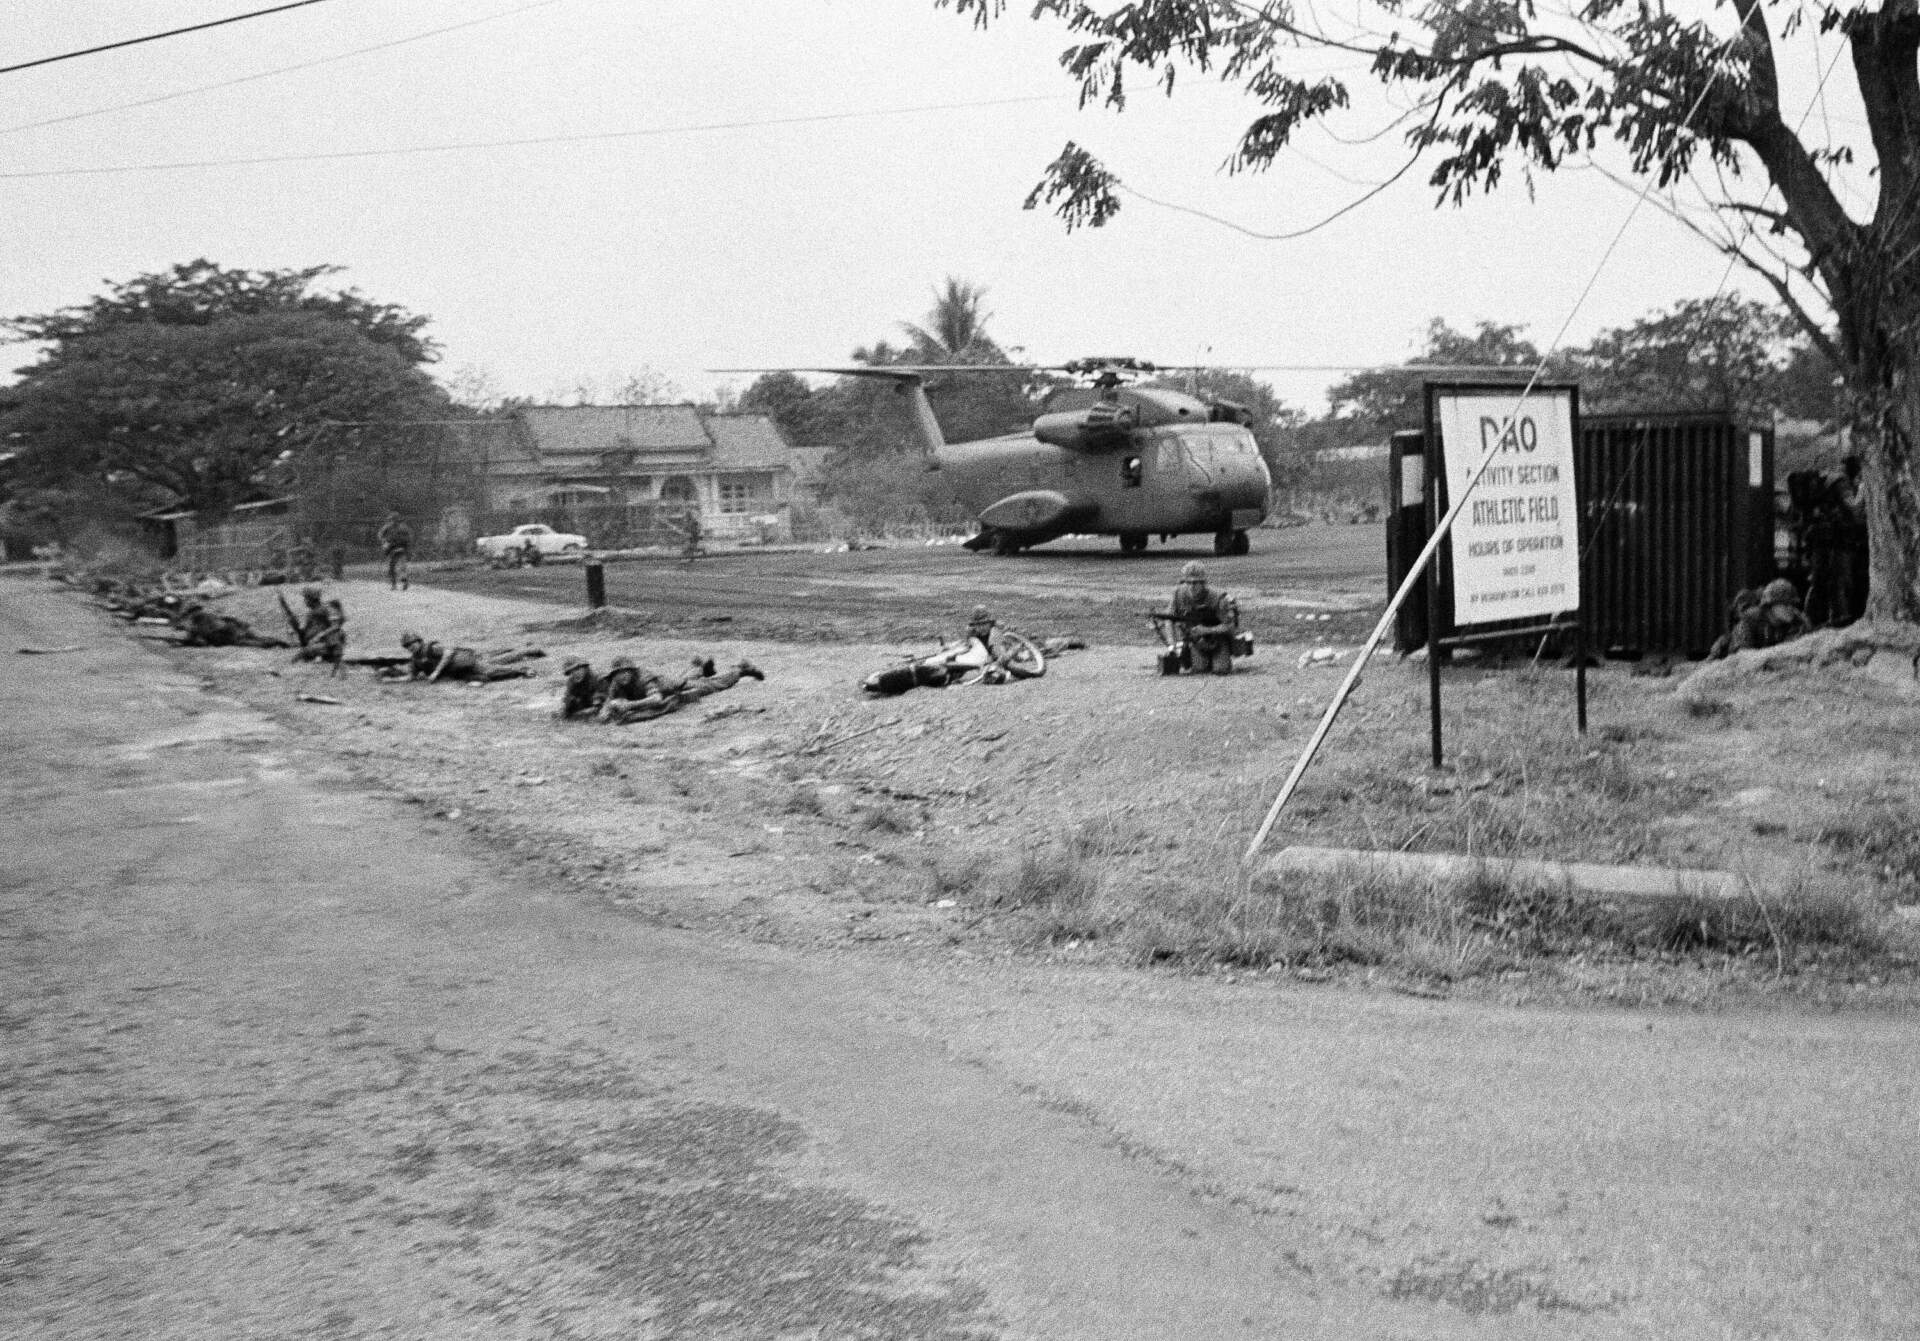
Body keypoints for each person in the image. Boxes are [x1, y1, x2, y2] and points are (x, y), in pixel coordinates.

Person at [860, 605, 1009, 695]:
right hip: (966, 654)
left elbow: (1000, 656)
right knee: (939, 659)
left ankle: (909, 677)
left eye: (984, 623)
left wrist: (995, 663)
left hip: (976, 660)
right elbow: (964, 644)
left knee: (946, 668)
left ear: (990, 623)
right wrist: (951, 647)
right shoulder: (973, 633)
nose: (981, 627)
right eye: (977, 624)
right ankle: (896, 674)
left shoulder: (994, 636)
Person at [597, 653, 762, 723]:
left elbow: (657, 699)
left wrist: (629, 705)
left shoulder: (643, 677)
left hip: (674, 687)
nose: (622, 676)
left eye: (625, 671)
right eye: (618, 673)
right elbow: (609, 699)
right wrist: (604, 711)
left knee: (713, 685)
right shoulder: (616, 683)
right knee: (688, 677)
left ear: (632, 671)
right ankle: (700, 667)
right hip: (675, 681)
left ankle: (740, 668)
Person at [1169, 560, 1239, 675]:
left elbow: (1229, 626)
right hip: (1196, 640)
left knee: (1221, 670)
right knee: (1199, 669)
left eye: (1196, 583)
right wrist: (1173, 645)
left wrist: (1207, 630)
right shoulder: (1178, 594)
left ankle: (1222, 656)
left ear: (1203, 583)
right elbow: (1169, 619)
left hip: (1218, 639)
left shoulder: (1217, 598)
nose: (1192, 586)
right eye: (1188, 582)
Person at [1711, 578, 1812, 658]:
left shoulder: (1798, 623)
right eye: (1785, 604)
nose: (1791, 609)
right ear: (1770, 606)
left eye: (1793, 604)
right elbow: (1741, 655)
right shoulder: (1750, 621)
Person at [399, 632, 539, 682]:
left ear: (418, 641)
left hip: (466, 660)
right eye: (407, 646)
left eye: (411, 643)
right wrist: (390, 679)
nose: (410, 647)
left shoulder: (430, 648)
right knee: (500, 659)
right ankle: (525, 652)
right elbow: (412, 676)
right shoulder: (415, 660)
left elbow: (448, 653)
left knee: (500, 662)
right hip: (462, 666)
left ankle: (529, 652)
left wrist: (436, 672)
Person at [293, 585, 347, 675]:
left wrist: (319, 636)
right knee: (304, 653)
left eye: (306, 598)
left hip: (329, 644)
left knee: (303, 653)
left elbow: (336, 626)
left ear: (311, 600)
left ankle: (323, 656)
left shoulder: (326, 609)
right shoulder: (311, 613)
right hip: (317, 644)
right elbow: (305, 631)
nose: (304, 601)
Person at [376, 511, 413, 591]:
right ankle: (396, 584)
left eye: (394, 519)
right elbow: (380, 535)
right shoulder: (388, 527)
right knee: (393, 566)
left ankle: (401, 582)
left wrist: (407, 546)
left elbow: (409, 537)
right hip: (393, 549)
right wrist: (384, 542)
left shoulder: (402, 527)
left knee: (399, 566)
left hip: (399, 548)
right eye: (392, 520)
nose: (393, 521)